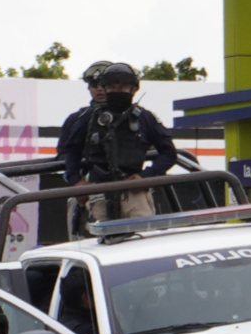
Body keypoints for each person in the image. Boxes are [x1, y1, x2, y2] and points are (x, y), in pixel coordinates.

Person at [61, 62, 177, 221]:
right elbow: (71, 150)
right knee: (98, 239)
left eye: (122, 87)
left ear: (134, 89)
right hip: (97, 190)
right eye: (112, 87)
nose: (117, 91)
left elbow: (169, 153)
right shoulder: (89, 117)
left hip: (134, 191)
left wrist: (145, 176)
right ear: (105, 88)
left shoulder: (145, 118)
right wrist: (76, 181)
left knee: (141, 236)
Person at [57, 61, 110, 239]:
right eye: (94, 85)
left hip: (128, 190)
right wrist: (76, 182)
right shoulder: (76, 119)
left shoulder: (137, 116)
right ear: (88, 88)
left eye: (104, 84)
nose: (99, 89)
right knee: (81, 244)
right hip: (86, 191)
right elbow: (64, 154)